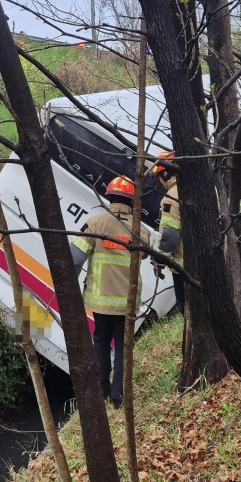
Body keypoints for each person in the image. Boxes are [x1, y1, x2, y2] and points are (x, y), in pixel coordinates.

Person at [69, 176, 152, 407]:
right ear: (133, 201)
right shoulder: (140, 231)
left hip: (101, 301)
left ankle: (102, 391)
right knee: (124, 347)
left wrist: (71, 290)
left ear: (110, 197)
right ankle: (119, 398)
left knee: (101, 341)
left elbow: (75, 259)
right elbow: (147, 254)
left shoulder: (96, 224)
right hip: (127, 302)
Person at [150, 151, 185, 314]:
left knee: (187, 307)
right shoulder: (201, 188)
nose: (159, 182)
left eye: (158, 177)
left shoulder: (171, 198)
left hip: (185, 267)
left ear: (165, 172)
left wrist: (159, 260)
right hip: (214, 258)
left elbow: (169, 237)